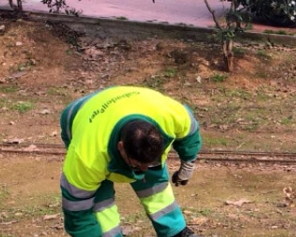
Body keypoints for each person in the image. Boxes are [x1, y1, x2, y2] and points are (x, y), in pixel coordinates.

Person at [58, 86, 202, 237]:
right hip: (80, 114)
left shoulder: (170, 114)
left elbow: (190, 132)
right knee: (100, 199)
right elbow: (77, 212)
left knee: (155, 181)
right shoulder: (87, 156)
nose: (144, 170)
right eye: (138, 166)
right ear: (121, 147)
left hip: (128, 100)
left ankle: (175, 231)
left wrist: (188, 164)